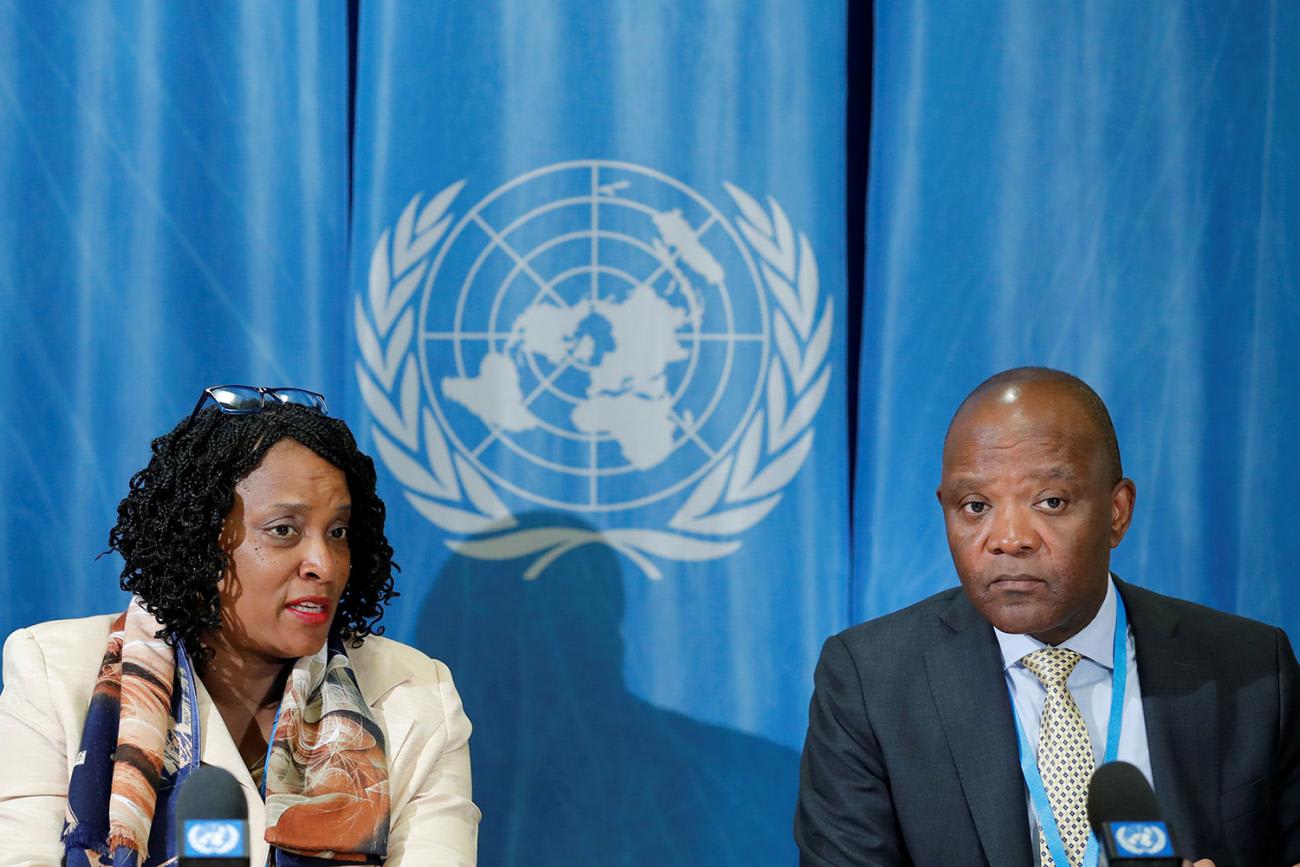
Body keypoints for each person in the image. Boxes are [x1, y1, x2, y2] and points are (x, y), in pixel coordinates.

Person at [795, 367, 1300, 867]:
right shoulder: (870, 682)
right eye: (975, 506)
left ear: (1117, 512)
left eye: (1051, 501)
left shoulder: (1253, 669)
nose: (1009, 538)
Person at [0, 385, 480, 866]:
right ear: (200, 542)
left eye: (337, 533)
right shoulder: (57, 671)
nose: (324, 565)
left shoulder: (415, 694)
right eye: (283, 530)